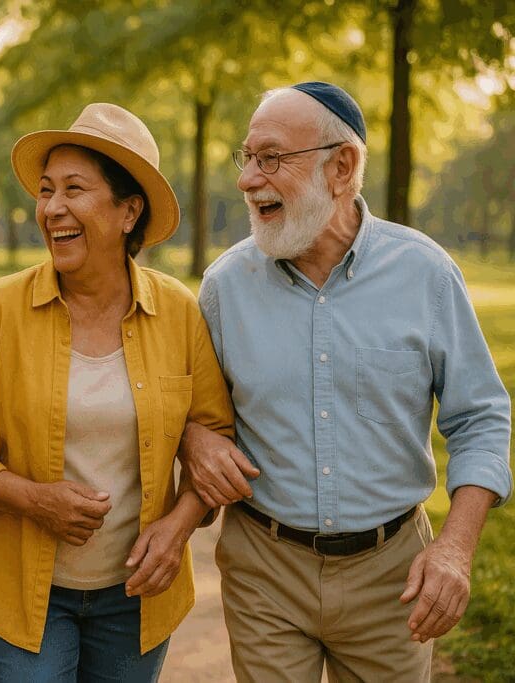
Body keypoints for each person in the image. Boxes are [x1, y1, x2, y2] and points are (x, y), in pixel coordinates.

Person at [180, 81, 512, 681]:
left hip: (394, 577)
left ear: (342, 167)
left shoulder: (426, 275)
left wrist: (456, 550)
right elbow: (191, 409)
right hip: (264, 569)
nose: (248, 179)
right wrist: (194, 439)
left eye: (271, 158)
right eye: (247, 158)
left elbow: (481, 417)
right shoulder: (224, 286)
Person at [0, 103, 235, 682]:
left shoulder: (180, 315)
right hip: (20, 592)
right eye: (45, 190)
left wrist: (180, 524)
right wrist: (33, 499)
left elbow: (216, 437)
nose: (52, 208)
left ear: (128, 210)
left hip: (138, 595)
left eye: (75, 190)